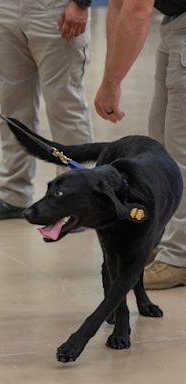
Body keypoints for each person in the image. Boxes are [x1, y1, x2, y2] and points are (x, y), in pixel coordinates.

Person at [0, 0, 94, 221]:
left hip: (57, 8)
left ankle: (77, 200)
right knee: (12, 108)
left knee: (65, 108)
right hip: (3, 8)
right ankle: (13, 194)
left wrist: (81, 3)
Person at [95, 0, 186, 290]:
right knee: (161, 151)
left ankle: (179, 257)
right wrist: (110, 76)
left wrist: (111, 83)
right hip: (174, 25)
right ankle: (168, 243)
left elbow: (137, 10)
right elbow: (119, 6)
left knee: (181, 154)